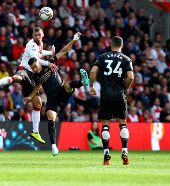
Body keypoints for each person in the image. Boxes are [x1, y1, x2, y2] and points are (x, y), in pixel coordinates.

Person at [0, 27, 59, 144]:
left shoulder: (39, 44)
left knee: (38, 102)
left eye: (39, 35)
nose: (37, 37)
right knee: (18, 78)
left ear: (42, 34)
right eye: (35, 35)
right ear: (32, 35)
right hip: (24, 70)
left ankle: (35, 132)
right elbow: (37, 60)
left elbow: (40, 52)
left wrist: (50, 52)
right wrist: (49, 63)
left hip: (31, 75)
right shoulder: (31, 45)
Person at [23, 34, 89, 156]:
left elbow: (63, 51)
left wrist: (73, 40)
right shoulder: (35, 76)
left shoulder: (49, 62)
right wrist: (30, 96)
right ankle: (54, 147)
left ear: (38, 62)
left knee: (68, 85)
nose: (35, 69)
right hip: (52, 97)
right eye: (33, 68)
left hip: (61, 90)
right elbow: (37, 86)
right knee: (50, 116)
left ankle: (83, 82)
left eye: (35, 66)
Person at [88, 36, 134, 165]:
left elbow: (92, 72)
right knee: (122, 124)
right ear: (122, 46)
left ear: (110, 45)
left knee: (105, 125)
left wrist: (91, 86)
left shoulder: (102, 57)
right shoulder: (126, 59)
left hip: (106, 95)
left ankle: (106, 153)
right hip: (120, 95)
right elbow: (130, 77)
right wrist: (127, 88)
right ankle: (124, 152)